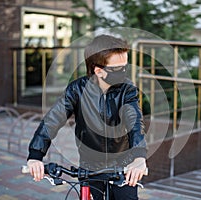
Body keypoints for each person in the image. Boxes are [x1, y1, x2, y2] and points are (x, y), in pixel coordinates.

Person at [27, 34, 147, 200]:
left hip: (123, 165)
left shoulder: (128, 89)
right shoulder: (77, 89)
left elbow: (135, 123)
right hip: (90, 166)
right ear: (99, 71)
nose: (124, 72)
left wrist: (139, 156)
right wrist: (35, 155)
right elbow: (52, 120)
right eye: (118, 69)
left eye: (125, 66)